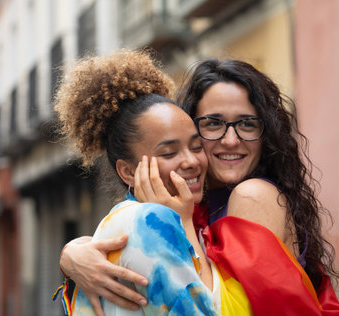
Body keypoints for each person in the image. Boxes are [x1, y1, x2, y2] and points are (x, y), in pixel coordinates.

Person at [59, 58, 339, 316]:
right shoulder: (193, 205)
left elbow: (224, 309)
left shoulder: (251, 195)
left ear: (266, 133)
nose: (231, 140)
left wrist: (180, 222)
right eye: (212, 124)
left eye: (247, 124)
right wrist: (74, 252)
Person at [53, 49, 219, 315]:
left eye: (197, 146)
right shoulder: (150, 220)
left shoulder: (121, 219)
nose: (191, 161)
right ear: (128, 172)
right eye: (169, 153)